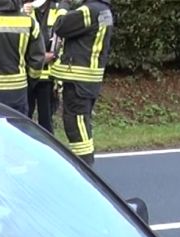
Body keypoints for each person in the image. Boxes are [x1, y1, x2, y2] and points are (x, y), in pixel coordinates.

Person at [51, 0, 114, 164]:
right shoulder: (103, 10)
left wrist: (62, 7)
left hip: (78, 80)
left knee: (76, 127)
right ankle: (85, 165)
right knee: (82, 125)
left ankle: (85, 169)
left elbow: (60, 26)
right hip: (88, 79)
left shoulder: (89, 10)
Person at [25, 0, 63, 132]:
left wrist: (53, 55)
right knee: (24, 117)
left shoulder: (58, 10)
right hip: (27, 73)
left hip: (48, 77)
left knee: (46, 120)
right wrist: (38, 56)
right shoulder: (25, 10)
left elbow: (63, 38)